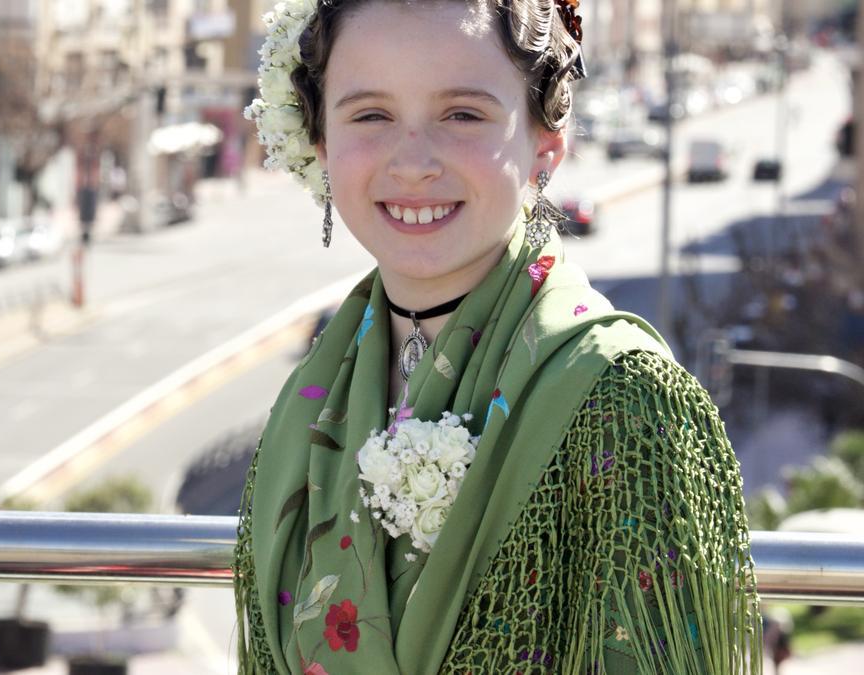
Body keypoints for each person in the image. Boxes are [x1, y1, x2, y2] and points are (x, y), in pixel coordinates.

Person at [233, 1, 763, 674]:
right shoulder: (306, 405)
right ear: (321, 144)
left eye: (463, 115)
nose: (414, 161)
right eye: (371, 115)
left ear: (547, 142)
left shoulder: (627, 405)